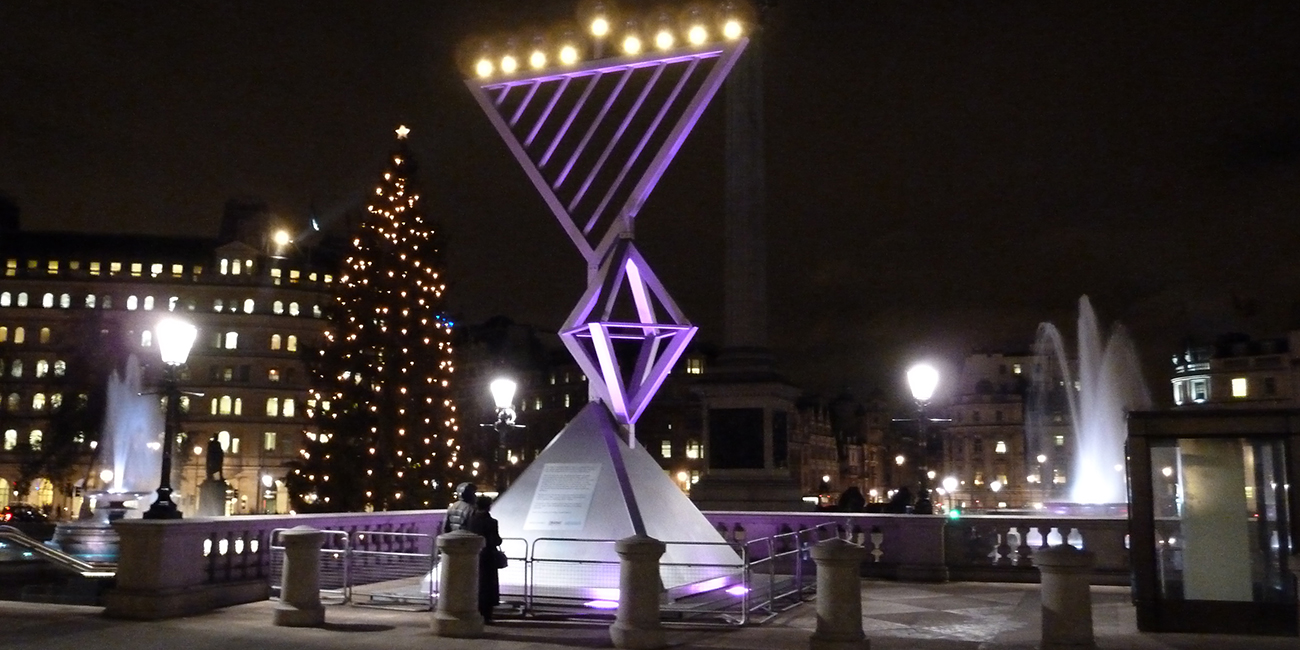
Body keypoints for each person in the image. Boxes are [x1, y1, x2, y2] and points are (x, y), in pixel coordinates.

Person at [463, 495, 502, 623]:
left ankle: (475, 611)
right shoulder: (491, 522)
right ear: (488, 506)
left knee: (476, 584)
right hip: (488, 557)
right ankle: (486, 615)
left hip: (473, 556)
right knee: (488, 586)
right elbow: (495, 540)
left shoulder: (470, 520)